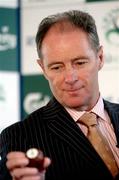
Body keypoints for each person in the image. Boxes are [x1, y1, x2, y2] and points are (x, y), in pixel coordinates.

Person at [0, 9, 119, 180]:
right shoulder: (20, 137)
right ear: (43, 69)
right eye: (57, 67)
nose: (70, 78)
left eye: (79, 63)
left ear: (100, 58)